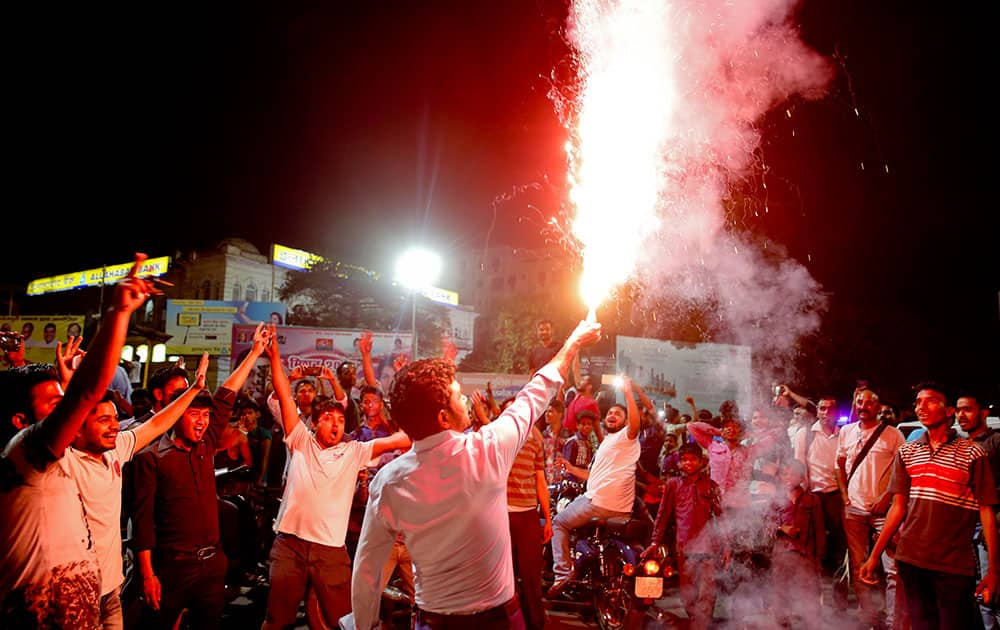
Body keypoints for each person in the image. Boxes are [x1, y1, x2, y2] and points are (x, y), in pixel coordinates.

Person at [345, 319, 601, 630]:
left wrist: (363, 624)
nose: (465, 398)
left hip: (432, 622)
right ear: (443, 416)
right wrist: (574, 341)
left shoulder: (389, 482)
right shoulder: (486, 451)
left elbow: (368, 570)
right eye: (457, 395)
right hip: (499, 622)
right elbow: (537, 392)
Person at [0, 253, 152, 628]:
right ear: (21, 422)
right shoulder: (25, 456)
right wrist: (119, 314)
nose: (78, 413)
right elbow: (85, 396)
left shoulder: (64, 456)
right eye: (57, 403)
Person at [261, 326, 409, 630]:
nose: (335, 424)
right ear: (313, 423)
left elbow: (400, 439)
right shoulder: (300, 441)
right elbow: (284, 399)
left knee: (343, 621)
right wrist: (275, 357)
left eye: (340, 420)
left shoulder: (354, 451)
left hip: (330, 551)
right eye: (327, 418)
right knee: (277, 620)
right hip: (290, 546)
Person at [130, 323, 272, 630]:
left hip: (212, 566)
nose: (202, 422)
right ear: (178, 414)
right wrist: (147, 575)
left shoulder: (206, 444)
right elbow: (141, 523)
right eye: (194, 414)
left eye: (206, 416)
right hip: (172, 568)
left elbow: (225, 396)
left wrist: (255, 352)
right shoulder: (150, 457)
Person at [65, 354, 209, 629]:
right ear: (77, 427)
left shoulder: (117, 448)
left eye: (115, 418)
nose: (115, 426)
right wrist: (71, 387)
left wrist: (195, 390)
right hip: (75, 590)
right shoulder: (63, 462)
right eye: (104, 420)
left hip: (111, 585)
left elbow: (156, 424)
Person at [860, 383, 999, 629]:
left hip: (953, 565)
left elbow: (987, 510)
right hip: (911, 560)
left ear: (948, 412)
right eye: (918, 402)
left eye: (930, 401)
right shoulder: (908, 452)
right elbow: (898, 508)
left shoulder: (972, 453)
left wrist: (994, 570)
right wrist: (873, 557)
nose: (921, 406)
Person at [548, 375, 642, 598]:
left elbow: (636, 424)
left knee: (558, 523)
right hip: (620, 507)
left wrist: (628, 391)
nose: (612, 415)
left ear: (626, 421)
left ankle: (562, 574)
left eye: (618, 414)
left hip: (599, 502)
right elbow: (592, 476)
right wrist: (570, 468)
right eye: (610, 413)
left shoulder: (627, 437)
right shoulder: (607, 443)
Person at [838, 387, 906, 630]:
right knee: (859, 566)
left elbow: (903, 470)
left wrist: (887, 497)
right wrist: (845, 495)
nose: (863, 406)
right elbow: (839, 464)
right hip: (853, 510)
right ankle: (869, 618)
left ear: (878, 408)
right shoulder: (846, 431)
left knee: (892, 568)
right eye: (859, 402)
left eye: (868, 403)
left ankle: (893, 621)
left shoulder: (893, 434)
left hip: (884, 511)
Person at [641, 442, 722, 630]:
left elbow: (722, 517)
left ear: (701, 462)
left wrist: (725, 546)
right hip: (684, 548)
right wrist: (655, 541)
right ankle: (696, 623)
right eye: (684, 460)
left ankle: (699, 626)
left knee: (706, 594)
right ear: (679, 463)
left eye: (692, 460)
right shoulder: (673, 485)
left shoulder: (711, 486)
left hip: (708, 548)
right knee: (688, 595)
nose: (687, 464)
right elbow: (662, 515)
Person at [794, 393, 849, 611]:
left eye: (831, 408)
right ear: (817, 411)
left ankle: (840, 604)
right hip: (813, 498)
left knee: (840, 552)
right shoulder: (804, 433)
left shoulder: (844, 434)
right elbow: (799, 465)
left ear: (837, 411)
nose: (826, 413)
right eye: (822, 408)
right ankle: (811, 603)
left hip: (837, 498)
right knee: (812, 552)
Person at [955, 390, 1000, 629]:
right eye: (959, 409)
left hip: (988, 526)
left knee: (991, 593)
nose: (962, 415)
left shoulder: (995, 441)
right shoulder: (959, 446)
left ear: (983, 413)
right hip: (964, 528)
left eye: (968, 409)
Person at [506, 418, 552, 630]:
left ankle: (535, 623)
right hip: (502, 516)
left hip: (527, 516)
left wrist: (548, 518)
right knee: (507, 575)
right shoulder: (501, 442)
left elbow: (541, 481)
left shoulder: (535, 443)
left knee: (531, 574)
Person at [770, 460, 826, 627]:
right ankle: (783, 624)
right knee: (781, 593)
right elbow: (766, 525)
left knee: (809, 594)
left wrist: (818, 558)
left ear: (802, 478)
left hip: (805, 555)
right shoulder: (775, 500)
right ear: (779, 478)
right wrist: (782, 528)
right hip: (782, 555)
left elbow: (820, 530)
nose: (789, 477)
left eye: (794, 474)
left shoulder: (812, 499)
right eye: (785, 474)